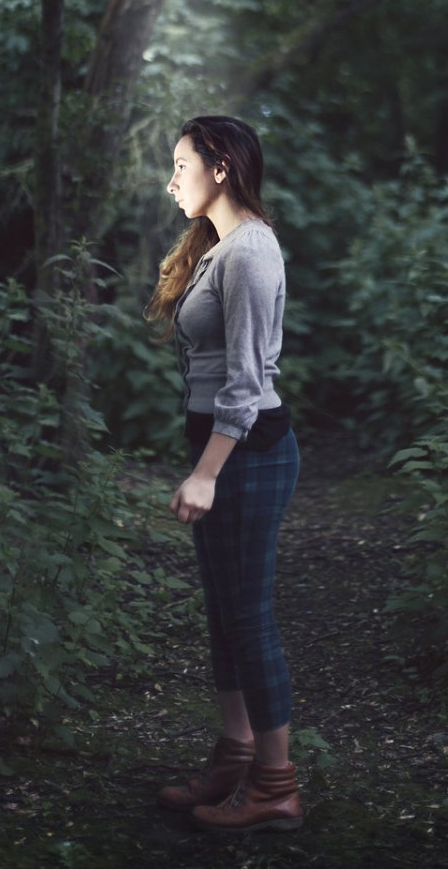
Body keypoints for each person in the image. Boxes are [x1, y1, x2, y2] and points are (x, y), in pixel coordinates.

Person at [144, 114, 303, 834]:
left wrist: (207, 471)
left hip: (248, 451)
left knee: (249, 616)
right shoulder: (219, 249)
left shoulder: (251, 253)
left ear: (220, 168)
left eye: (181, 164)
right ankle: (236, 754)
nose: (171, 178)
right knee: (222, 615)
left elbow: (246, 380)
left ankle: (276, 785)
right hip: (223, 447)